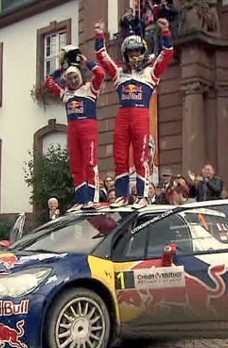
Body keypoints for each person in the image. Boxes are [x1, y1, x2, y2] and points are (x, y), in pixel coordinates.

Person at [94, 18, 174, 208]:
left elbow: (168, 54)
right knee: (120, 156)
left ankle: (143, 196)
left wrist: (166, 32)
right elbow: (101, 55)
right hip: (123, 116)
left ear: (143, 52)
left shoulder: (151, 72)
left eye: (138, 51)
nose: (135, 55)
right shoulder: (118, 73)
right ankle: (122, 195)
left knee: (140, 157)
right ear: (125, 54)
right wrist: (99, 34)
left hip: (141, 115)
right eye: (131, 52)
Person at [46, 51, 105, 210]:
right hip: (72, 129)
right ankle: (81, 199)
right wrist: (61, 68)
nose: (72, 80)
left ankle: (92, 198)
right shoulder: (66, 93)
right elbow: (49, 83)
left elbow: (100, 74)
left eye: (75, 77)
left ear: (80, 77)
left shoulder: (90, 89)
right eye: (70, 78)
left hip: (88, 128)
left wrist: (86, 62)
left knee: (90, 162)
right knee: (76, 165)